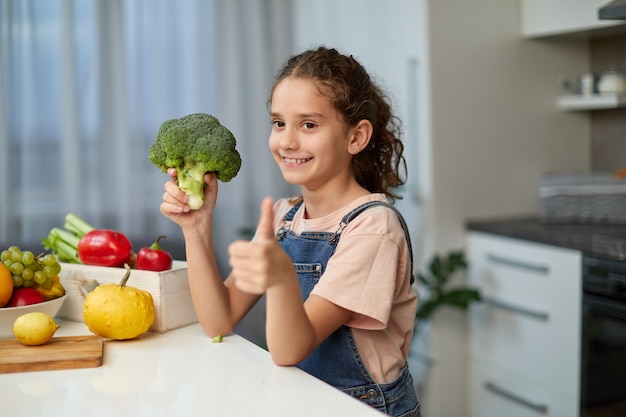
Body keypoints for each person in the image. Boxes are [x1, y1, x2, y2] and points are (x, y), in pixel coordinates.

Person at [160, 46, 420, 417]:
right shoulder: (285, 216)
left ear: (356, 137)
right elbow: (218, 320)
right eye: (279, 122)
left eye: (309, 125)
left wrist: (281, 280)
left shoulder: (373, 228)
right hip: (304, 401)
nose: (287, 141)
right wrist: (197, 228)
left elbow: (289, 349)